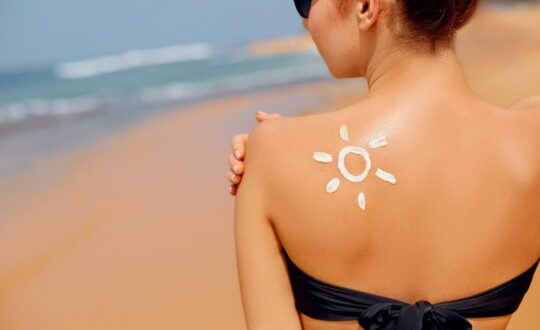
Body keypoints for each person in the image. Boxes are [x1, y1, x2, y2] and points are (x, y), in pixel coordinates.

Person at [230, 0, 540, 329]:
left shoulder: (271, 153)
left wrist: (283, 157)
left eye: (305, 3)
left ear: (365, 5)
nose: (306, 22)